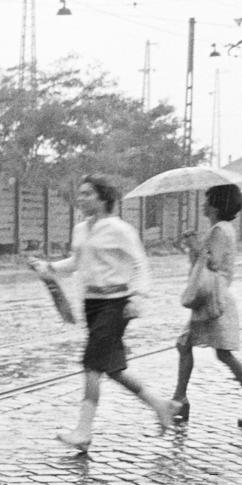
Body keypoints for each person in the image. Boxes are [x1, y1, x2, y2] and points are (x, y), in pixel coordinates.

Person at [30, 174, 176, 451]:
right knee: (112, 368)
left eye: (88, 194)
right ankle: (161, 405)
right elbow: (76, 262)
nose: (81, 198)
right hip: (92, 304)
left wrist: (138, 296)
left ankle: (83, 431)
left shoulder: (120, 230)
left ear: (103, 198)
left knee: (91, 365)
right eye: (81, 193)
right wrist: (49, 268)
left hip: (115, 304)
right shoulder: (80, 229)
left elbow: (140, 265)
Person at [171, 184, 242, 427]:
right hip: (214, 297)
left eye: (207, 201)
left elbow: (212, 263)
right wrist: (191, 247)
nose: (203, 205)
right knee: (189, 345)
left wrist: (195, 245)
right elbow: (204, 263)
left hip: (213, 300)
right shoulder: (224, 229)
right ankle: (179, 400)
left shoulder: (218, 230)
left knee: (218, 352)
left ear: (216, 205)